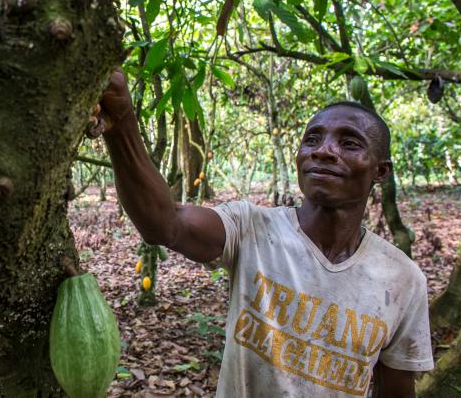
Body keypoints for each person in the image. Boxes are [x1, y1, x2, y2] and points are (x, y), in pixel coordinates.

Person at [94, 69, 434, 397]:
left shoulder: (403, 279)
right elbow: (164, 223)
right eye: (312, 139)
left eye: (349, 143)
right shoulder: (251, 228)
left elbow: (395, 390)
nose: (323, 150)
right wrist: (121, 123)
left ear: (381, 171)